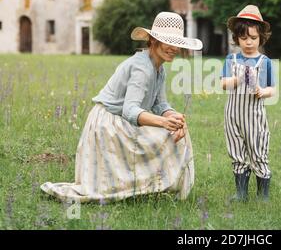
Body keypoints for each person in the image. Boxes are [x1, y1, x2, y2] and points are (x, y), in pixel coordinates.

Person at [41, 12, 203, 203]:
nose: (173, 48)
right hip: (108, 122)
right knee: (164, 135)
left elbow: (159, 104)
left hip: (123, 120)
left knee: (179, 131)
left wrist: (174, 117)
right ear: (152, 40)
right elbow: (129, 110)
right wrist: (164, 122)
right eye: (168, 41)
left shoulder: (158, 68)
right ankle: (144, 185)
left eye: (177, 42)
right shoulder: (142, 68)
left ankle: (156, 186)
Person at [221, 5, 276, 201]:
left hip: (254, 116)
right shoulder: (231, 59)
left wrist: (262, 91)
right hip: (233, 115)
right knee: (237, 151)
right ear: (237, 39)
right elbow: (223, 84)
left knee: (257, 150)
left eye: (253, 38)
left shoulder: (265, 61)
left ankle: (263, 195)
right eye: (244, 38)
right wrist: (236, 80)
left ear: (261, 37)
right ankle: (241, 193)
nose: (249, 42)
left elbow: (273, 89)